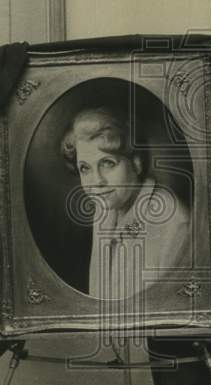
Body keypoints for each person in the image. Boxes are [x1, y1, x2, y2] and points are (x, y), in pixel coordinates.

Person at [61, 106, 191, 301]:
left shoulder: (172, 218)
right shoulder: (104, 210)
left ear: (136, 163)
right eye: (85, 168)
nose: (97, 181)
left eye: (108, 163)